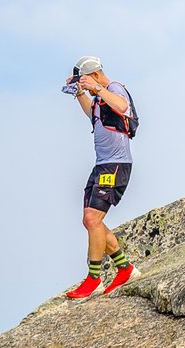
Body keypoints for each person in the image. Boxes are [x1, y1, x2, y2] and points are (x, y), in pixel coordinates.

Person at [59, 55, 140, 300]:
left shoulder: (113, 88)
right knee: (89, 219)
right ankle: (125, 268)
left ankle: (94, 278)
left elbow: (122, 106)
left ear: (94, 75)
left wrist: (95, 88)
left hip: (116, 165)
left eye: (83, 80)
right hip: (102, 165)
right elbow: (92, 114)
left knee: (93, 219)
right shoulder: (97, 99)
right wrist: (79, 93)